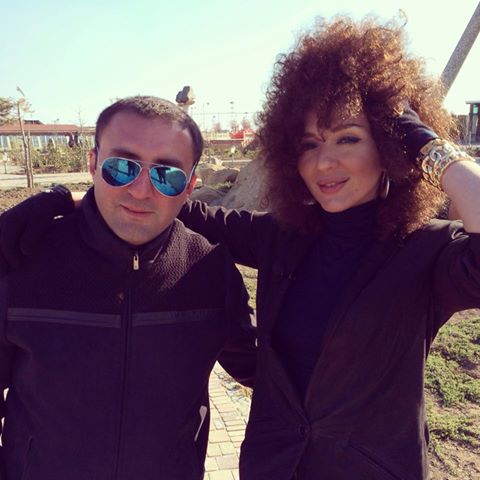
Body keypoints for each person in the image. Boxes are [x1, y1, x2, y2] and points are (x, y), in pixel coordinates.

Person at [1, 16, 480, 480]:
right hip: (273, 466)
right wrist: (66, 200)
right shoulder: (282, 238)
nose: (325, 162)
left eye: (348, 138)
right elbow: (167, 200)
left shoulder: (429, 252)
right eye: (309, 144)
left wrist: (430, 147)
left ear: (391, 149)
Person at [0, 96, 256, 480]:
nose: (140, 191)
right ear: (93, 164)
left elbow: (269, 373)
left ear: (190, 186)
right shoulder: (24, 259)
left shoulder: (209, 270)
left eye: (167, 175)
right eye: (121, 168)